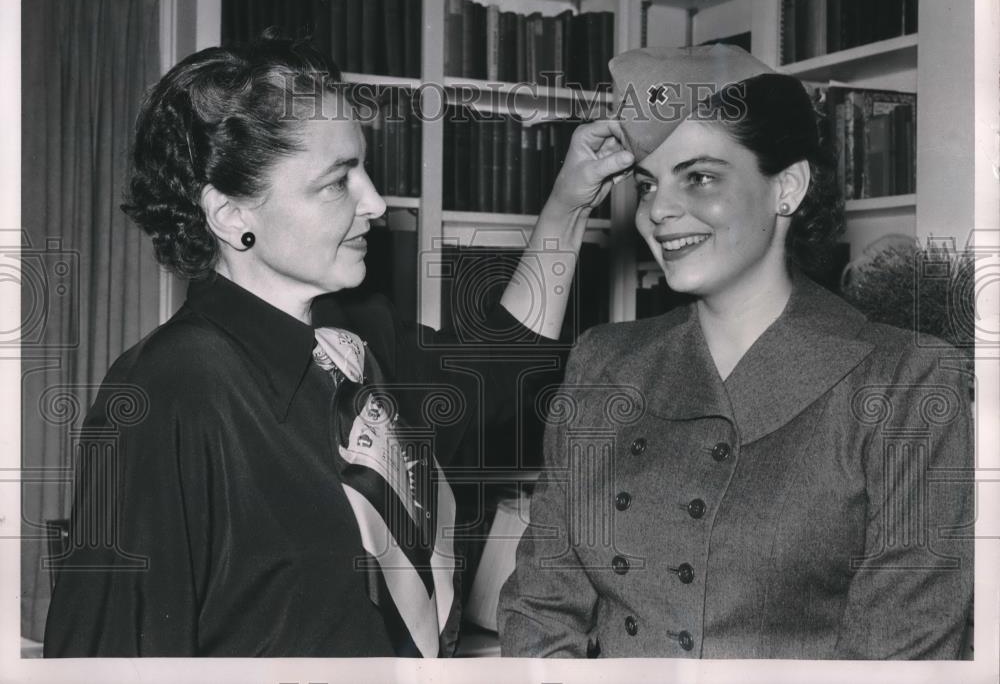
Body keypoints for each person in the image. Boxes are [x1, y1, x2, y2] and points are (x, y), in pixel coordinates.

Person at [42, 34, 635, 657]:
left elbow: (500, 369)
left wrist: (572, 199)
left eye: (365, 169)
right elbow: (104, 650)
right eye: (337, 181)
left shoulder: (357, 338)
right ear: (230, 215)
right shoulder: (169, 390)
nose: (375, 203)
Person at [497, 45, 974, 659]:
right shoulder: (603, 363)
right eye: (647, 184)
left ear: (788, 187)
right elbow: (540, 610)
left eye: (699, 176)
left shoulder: (906, 380)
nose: (659, 211)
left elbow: (903, 655)